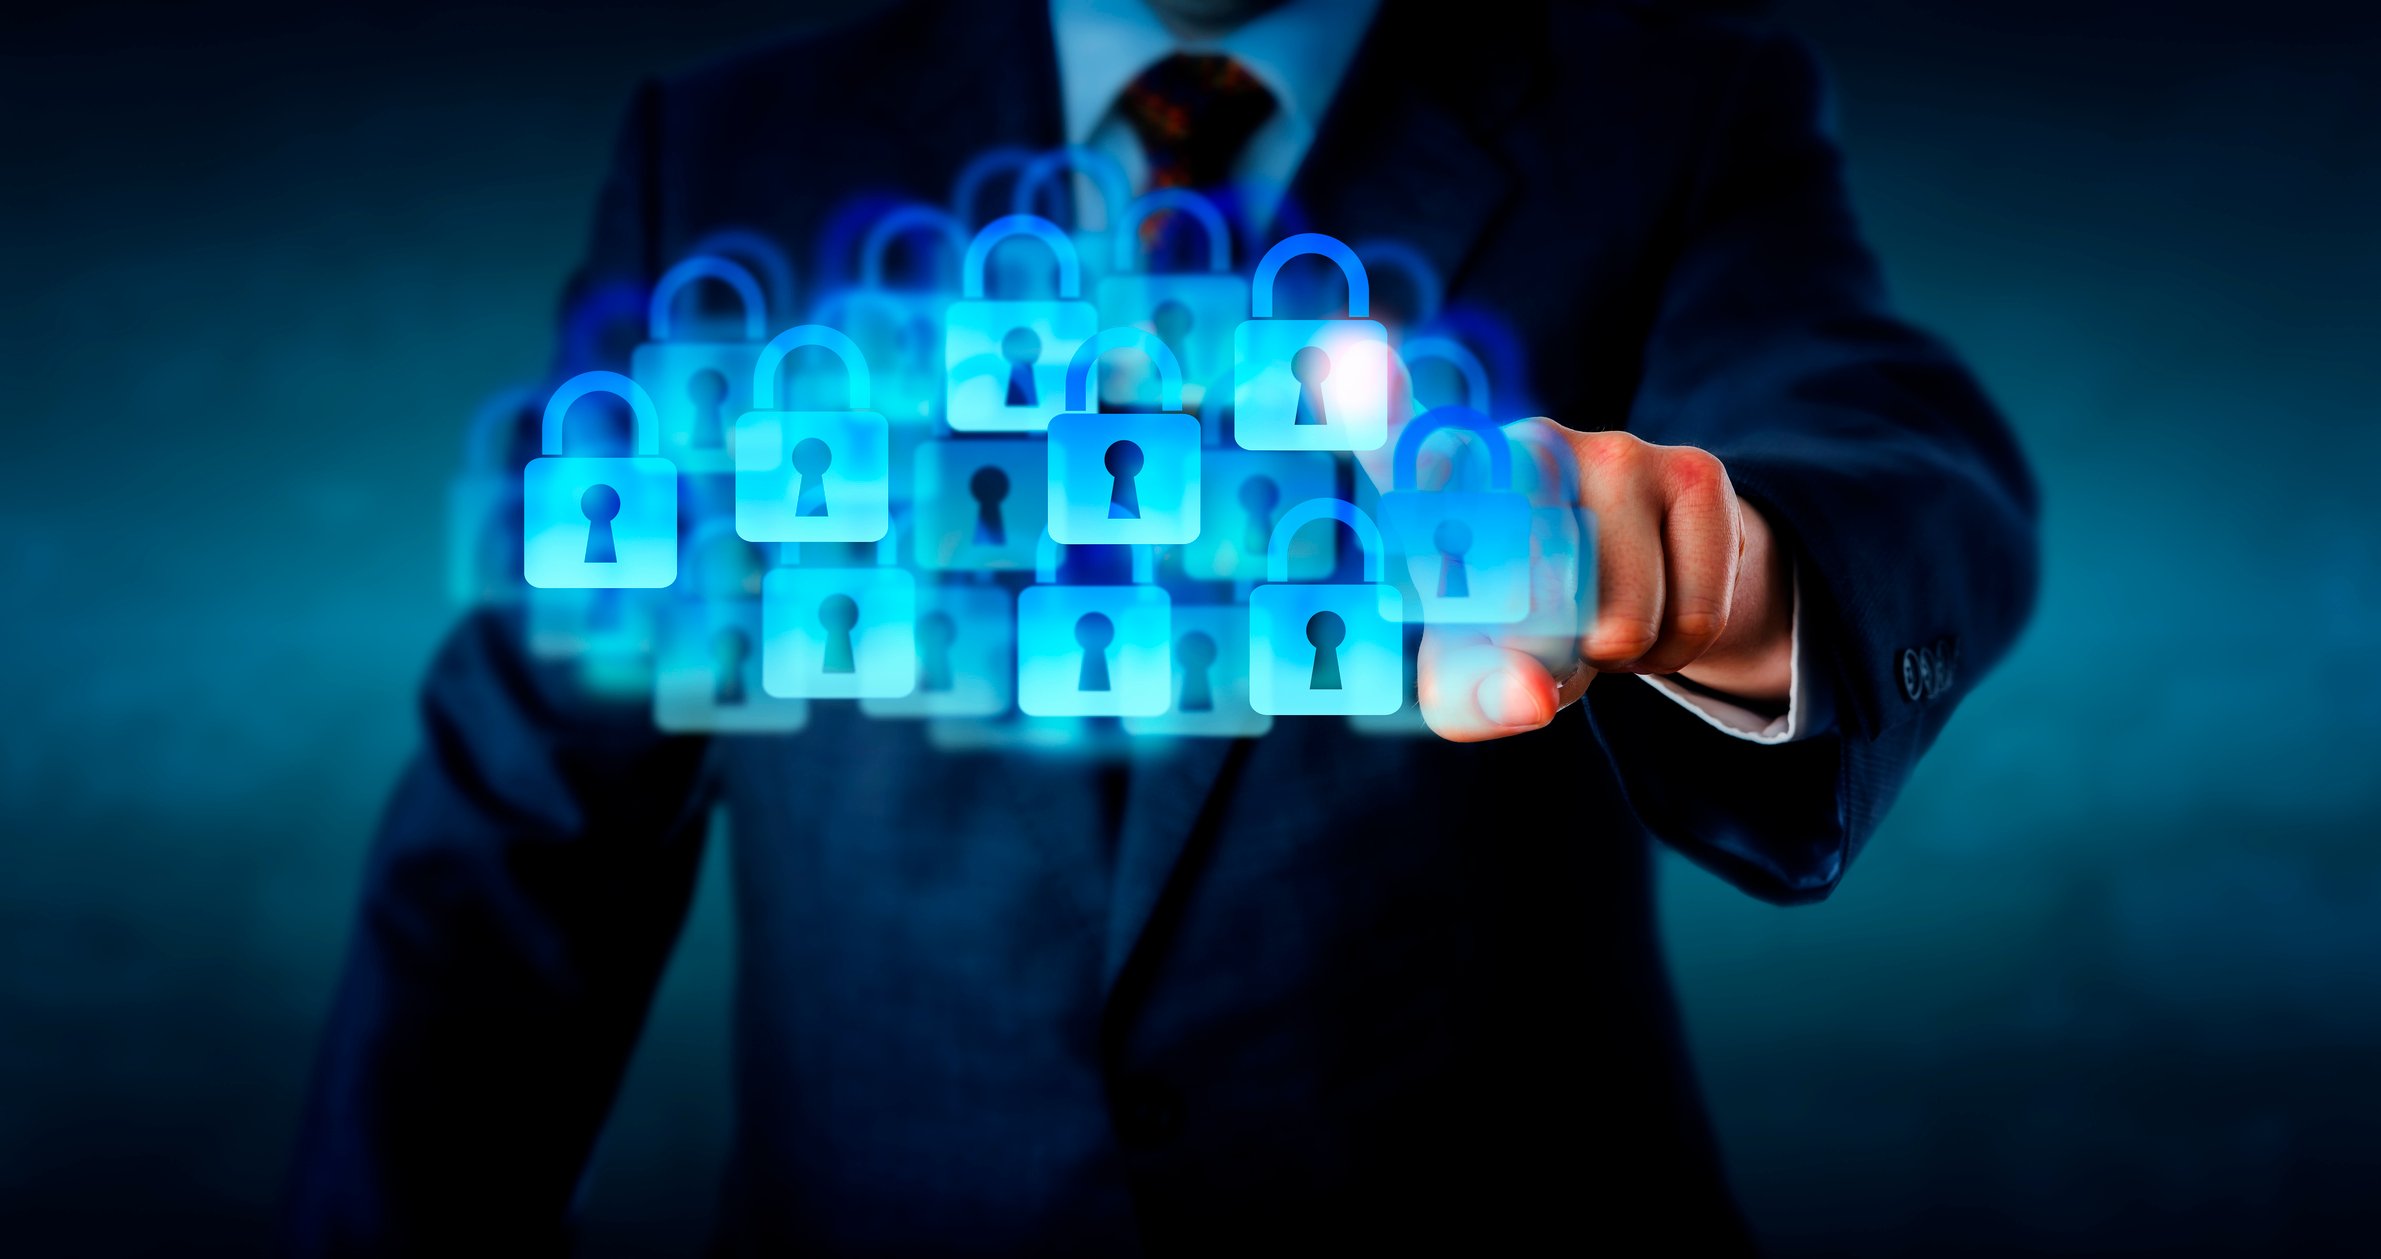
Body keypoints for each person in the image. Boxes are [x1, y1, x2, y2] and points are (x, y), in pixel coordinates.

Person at [284, 0, 2039, 1253]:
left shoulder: (1671, 114)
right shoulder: (732, 156)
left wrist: (1712, 567)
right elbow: (525, 826)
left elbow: (1883, 446)